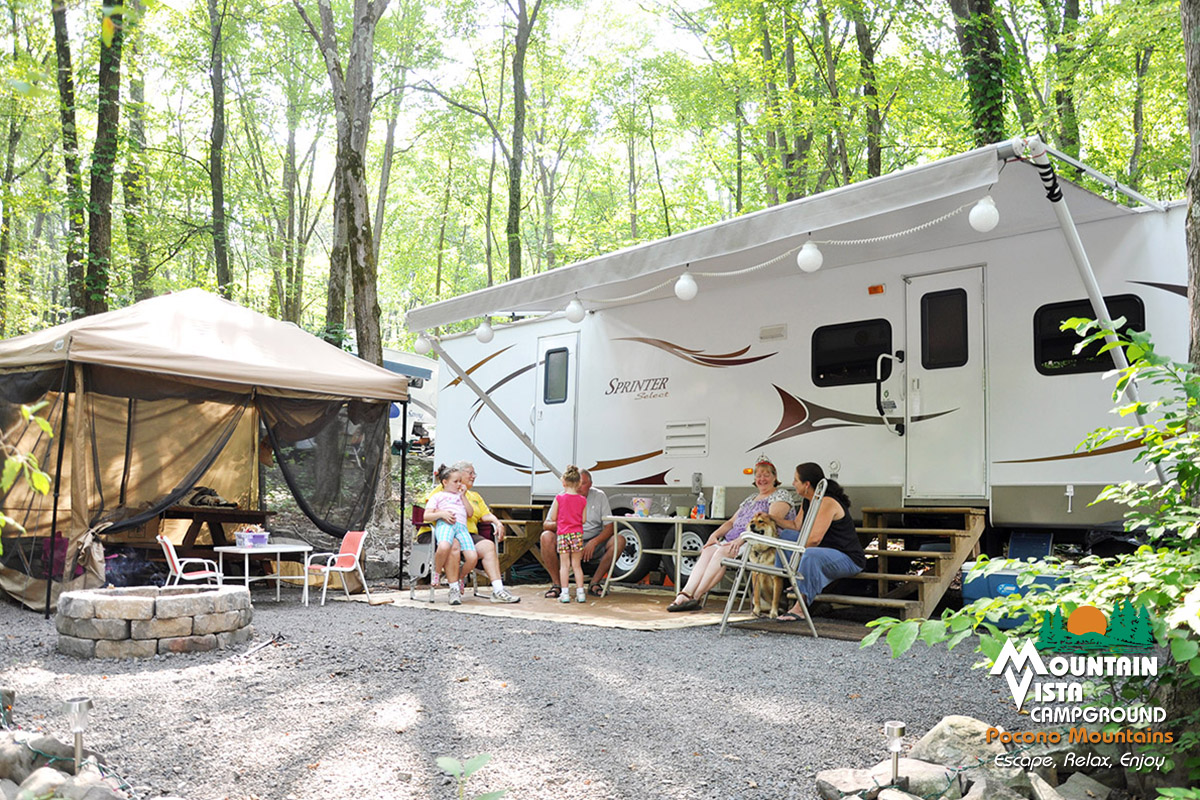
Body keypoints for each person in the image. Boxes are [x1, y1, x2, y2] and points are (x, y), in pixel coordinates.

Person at [666, 458, 794, 612]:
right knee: (709, 549)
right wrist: (714, 535)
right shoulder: (750, 499)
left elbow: (768, 525)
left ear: (775, 477)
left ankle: (696, 597)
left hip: (758, 544)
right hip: (735, 540)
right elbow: (731, 522)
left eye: (766, 475)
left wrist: (741, 540)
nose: (762, 479)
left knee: (722, 553)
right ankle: (685, 593)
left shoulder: (780, 495)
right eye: (758, 475)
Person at [770, 462, 866, 622]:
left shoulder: (827, 502)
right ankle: (784, 583)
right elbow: (796, 526)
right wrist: (771, 517)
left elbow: (814, 539)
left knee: (810, 554)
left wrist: (795, 558)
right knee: (787, 535)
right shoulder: (808, 500)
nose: (793, 484)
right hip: (824, 551)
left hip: (847, 558)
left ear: (806, 484)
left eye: (796, 480)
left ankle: (800, 608)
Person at [422, 461, 521, 604]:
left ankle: (498, 590)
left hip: (467, 533)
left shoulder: (474, 496)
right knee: (453, 545)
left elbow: (484, 515)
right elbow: (431, 510)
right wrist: (444, 513)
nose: (474, 476)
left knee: (488, 546)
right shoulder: (442, 489)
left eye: (474, 473)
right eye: (470, 473)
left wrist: (497, 522)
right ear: (458, 474)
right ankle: (453, 589)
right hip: (444, 530)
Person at [540, 468, 625, 598]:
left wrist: (594, 542)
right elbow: (547, 524)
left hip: (592, 540)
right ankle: (557, 585)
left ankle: (595, 583)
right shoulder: (562, 496)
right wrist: (564, 524)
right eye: (577, 483)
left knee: (619, 540)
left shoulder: (599, 496)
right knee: (546, 536)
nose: (579, 487)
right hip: (569, 537)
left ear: (590, 484)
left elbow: (609, 527)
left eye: (583, 483)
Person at [422, 464, 478, 605]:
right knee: (444, 546)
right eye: (456, 482)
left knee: (472, 557)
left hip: (461, 528)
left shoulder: (461, 497)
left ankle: (460, 577)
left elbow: (470, 513)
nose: (459, 484)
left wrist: (463, 496)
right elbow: (426, 515)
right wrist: (441, 514)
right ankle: (437, 572)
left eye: (460, 481)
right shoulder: (438, 496)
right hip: (446, 524)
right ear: (445, 482)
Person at [553, 465, 588, 603]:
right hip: (577, 534)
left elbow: (554, 517)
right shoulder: (582, 500)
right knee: (577, 565)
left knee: (564, 566)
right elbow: (584, 520)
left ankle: (565, 593)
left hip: (563, 534)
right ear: (579, 483)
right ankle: (580, 593)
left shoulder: (559, 498)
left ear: (564, 482)